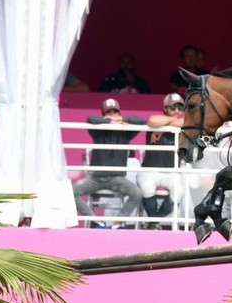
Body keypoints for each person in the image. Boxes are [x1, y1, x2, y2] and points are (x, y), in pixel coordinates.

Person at [73, 98, 144, 229]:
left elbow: (140, 121)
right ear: (104, 115)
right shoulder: (98, 130)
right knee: (72, 191)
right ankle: (95, 220)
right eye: (109, 112)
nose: (112, 115)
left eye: (115, 112)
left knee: (137, 193)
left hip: (117, 179)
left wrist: (122, 121)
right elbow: (90, 119)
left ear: (119, 113)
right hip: (95, 178)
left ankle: (118, 222)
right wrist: (111, 122)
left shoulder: (125, 131)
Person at [137, 93, 183, 228]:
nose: (177, 111)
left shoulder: (182, 125)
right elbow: (152, 120)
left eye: (180, 108)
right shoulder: (156, 123)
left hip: (172, 172)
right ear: (165, 109)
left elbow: (187, 122)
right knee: (146, 187)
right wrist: (167, 125)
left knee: (180, 191)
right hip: (150, 170)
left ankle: (153, 222)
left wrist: (167, 126)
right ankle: (154, 223)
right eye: (173, 108)